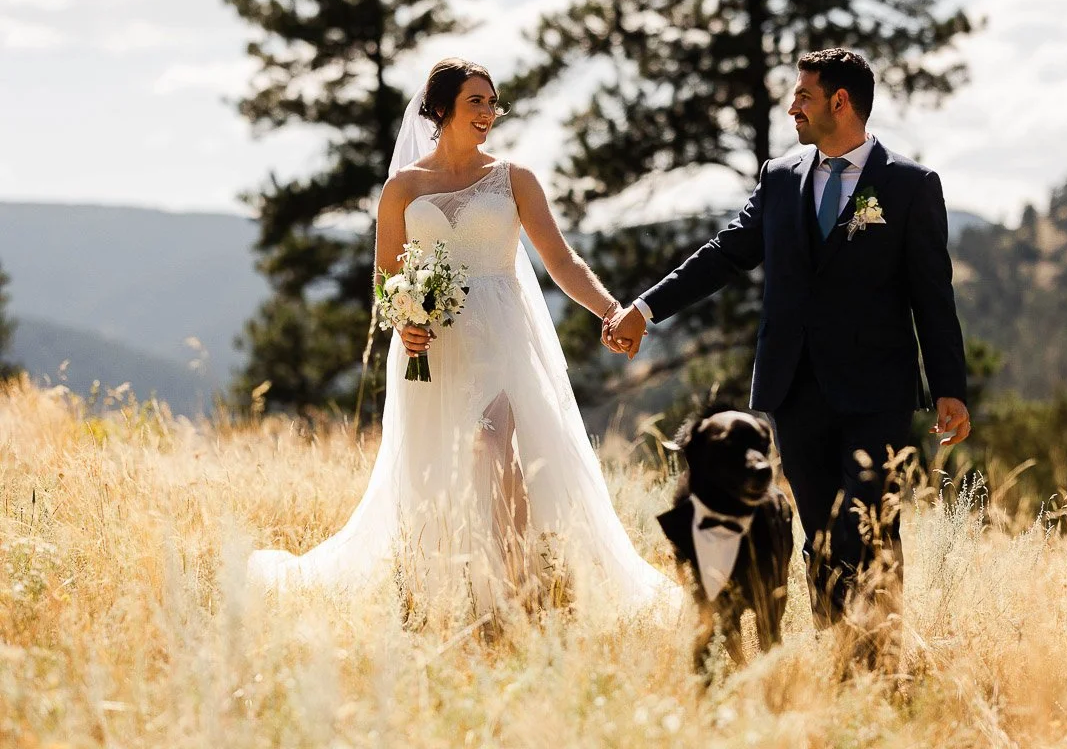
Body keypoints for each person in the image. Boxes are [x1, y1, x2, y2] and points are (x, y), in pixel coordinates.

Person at [248, 58, 679, 620]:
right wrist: (403, 318)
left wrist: (612, 311)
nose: (488, 113)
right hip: (431, 348)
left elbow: (562, 260)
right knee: (439, 470)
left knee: (496, 450)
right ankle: (443, 593)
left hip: (502, 337)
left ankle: (519, 593)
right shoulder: (402, 189)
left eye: (493, 103)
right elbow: (385, 277)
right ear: (439, 108)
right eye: (476, 101)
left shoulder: (514, 178)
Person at [603, 48, 970, 639]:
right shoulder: (779, 178)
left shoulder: (909, 185)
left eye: (803, 95)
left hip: (876, 390)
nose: (792, 106)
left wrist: (950, 386)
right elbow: (725, 253)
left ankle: (882, 649)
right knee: (819, 531)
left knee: (870, 521)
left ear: (840, 102)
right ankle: (836, 648)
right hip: (793, 387)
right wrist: (645, 309)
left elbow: (933, 293)